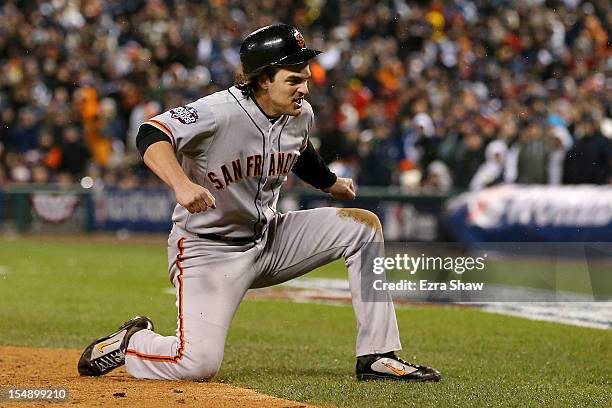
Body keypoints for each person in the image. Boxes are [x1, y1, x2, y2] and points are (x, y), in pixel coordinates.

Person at [77, 24, 440, 383]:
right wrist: (181, 184)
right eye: (294, 79)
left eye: (306, 78)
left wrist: (329, 183)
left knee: (362, 228)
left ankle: (377, 355)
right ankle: (133, 342)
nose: (304, 88)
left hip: (270, 238)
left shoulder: (301, 115)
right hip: (209, 251)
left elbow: (299, 151)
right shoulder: (218, 112)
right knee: (197, 364)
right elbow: (151, 132)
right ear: (263, 78)